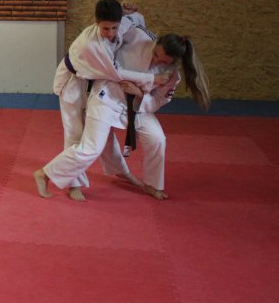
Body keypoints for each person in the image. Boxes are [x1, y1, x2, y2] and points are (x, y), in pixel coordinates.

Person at [35, 30, 210, 201]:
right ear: (156, 42)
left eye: (163, 61)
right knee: (91, 148)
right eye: (156, 54)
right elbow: (117, 32)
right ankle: (45, 174)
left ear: (173, 61)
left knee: (157, 139)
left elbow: (156, 103)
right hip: (106, 100)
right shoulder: (136, 38)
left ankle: (153, 184)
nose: (156, 60)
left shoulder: (172, 76)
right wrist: (151, 79)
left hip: (138, 107)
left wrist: (139, 93)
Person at [50, 0, 167, 199]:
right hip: (73, 82)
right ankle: (73, 184)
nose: (111, 33)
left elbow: (136, 22)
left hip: (94, 80)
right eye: (105, 28)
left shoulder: (122, 23)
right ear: (96, 23)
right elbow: (117, 73)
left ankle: (120, 171)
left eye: (115, 27)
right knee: (75, 133)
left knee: (103, 133)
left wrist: (132, 12)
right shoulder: (92, 45)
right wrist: (153, 78)